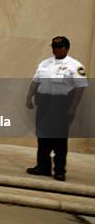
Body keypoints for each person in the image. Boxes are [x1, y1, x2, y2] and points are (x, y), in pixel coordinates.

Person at [25, 36, 87, 181]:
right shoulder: (45, 63)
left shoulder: (75, 66)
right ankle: (43, 166)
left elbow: (80, 88)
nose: (55, 49)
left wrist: (73, 108)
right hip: (44, 103)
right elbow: (35, 81)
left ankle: (59, 170)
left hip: (61, 104)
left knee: (59, 138)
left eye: (59, 47)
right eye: (53, 47)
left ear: (66, 48)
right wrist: (29, 97)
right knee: (42, 135)